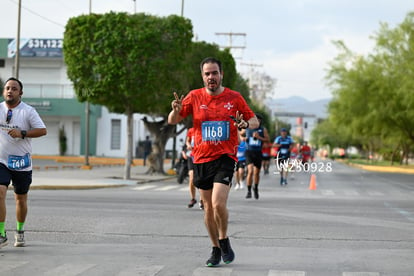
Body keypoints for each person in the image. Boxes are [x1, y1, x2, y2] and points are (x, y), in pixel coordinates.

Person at [168, 57, 259, 267]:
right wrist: (175, 109)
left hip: (225, 157)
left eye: (215, 73)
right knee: (208, 208)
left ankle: (224, 238)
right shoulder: (194, 97)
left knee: (218, 203)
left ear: (221, 74)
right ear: (203, 76)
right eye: (207, 74)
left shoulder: (234, 97)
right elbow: (173, 120)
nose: (211, 77)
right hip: (201, 158)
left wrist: (245, 122)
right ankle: (216, 248)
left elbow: (253, 119)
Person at [0, 77, 47, 248]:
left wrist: (23, 133)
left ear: (20, 93)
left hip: (21, 162)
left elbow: (42, 130)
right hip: (1, 161)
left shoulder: (28, 111)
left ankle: (20, 231)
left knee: (20, 199)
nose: (10, 91)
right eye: (7, 88)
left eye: (13, 88)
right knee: (0, 192)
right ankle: (1, 233)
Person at [244, 114, 270, 200]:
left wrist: (259, 137)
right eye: (255, 120)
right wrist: (243, 138)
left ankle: (255, 188)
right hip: (249, 152)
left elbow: (267, 139)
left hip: (258, 152)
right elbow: (239, 133)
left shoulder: (263, 129)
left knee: (256, 173)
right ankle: (248, 191)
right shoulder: (247, 128)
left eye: (259, 120)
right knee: (250, 171)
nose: (257, 122)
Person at [185, 127, 203, 209]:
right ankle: (193, 198)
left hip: (202, 157)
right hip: (192, 156)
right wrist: (188, 145)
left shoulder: (206, 129)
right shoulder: (191, 130)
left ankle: (202, 200)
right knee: (191, 177)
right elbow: (187, 141)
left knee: (202, 179)